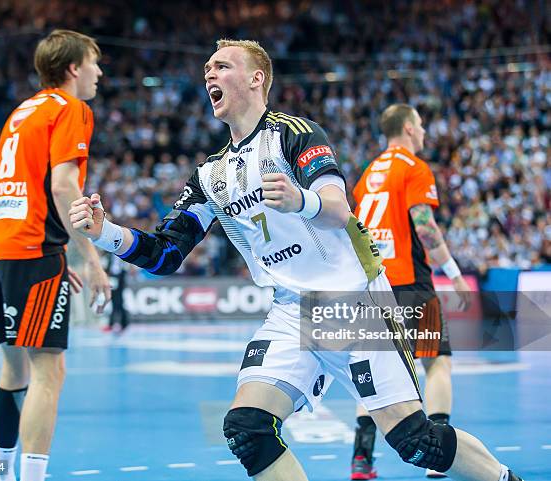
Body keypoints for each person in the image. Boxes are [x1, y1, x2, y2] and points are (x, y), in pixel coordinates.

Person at [69, 39, 524, 481]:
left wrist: (299, 200)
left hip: (351, 303)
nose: (209, 72)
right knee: (247, 429)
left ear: (256, 78)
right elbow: (165, 255)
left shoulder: (295, 133)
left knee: (414, 441)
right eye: (207, 68)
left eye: (222, 65)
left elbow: (337, 209)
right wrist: (105, 232)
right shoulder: (210, 175)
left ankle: (503, 477)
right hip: (289, 310)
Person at [0, 30, 111, 481]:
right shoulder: (71, 108)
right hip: (33, 250)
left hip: (0, 249)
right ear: (74, 68)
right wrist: (90, 261)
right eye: (94, 62)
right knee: (48, 372)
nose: (99, 72)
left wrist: (54, 258)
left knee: (13, 368)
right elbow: (62, 186)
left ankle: (0, 473)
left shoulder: (21, 112)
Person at [350, 103, 473, 480]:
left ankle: (361, 460)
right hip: (411, 283)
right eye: (420, 125)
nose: (423, 132)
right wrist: (453, 273)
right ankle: (439, 459)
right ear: (407, 127)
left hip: (371, 286)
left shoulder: (370, 171)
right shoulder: (414, 168)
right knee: (437, 362)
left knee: (374, 372)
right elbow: (425, 227)